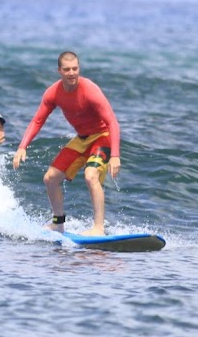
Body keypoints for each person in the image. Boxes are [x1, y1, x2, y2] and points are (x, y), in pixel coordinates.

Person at [12, 51, 121, 237]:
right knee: (50, 179)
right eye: (67, 69)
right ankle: (58, 223)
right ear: (59, 71)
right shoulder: (53, 93)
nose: (72, 73)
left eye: (75, 68)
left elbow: (112, 122)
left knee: (91, 176)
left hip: (102, 136)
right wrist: (22, 146)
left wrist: (115, 156)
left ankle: (98, 228)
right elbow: (38, 120)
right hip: (81, 139)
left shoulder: (90, 90)